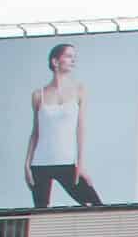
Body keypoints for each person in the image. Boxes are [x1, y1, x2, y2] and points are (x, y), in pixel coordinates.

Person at [25, 42, 102, 207]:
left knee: (95, 206)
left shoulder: (79, 90)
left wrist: (80, 164)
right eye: (68, 56)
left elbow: (80, 129)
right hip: (40, 164)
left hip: (66, 162)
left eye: (74, 57)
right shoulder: (38, 95)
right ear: (55, 61)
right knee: (42, 212)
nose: (73, 61)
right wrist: (27, 164)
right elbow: (36, 133)